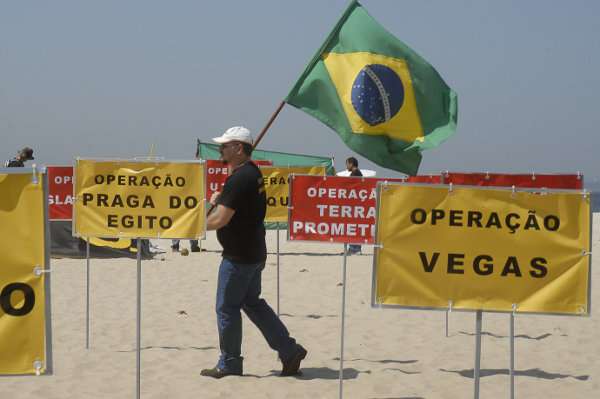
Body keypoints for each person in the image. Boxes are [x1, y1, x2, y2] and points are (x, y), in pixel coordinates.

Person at [200, 126, 307, 379]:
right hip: (254, 251)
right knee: (252, 303)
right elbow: (231, 203)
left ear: (238, 148)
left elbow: (220, 220)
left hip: (239, 256)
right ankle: (289, 351)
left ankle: (230, 363)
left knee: (226, 308)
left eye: (225, 146)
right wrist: (218, 198)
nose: (220, 150)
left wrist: (192, 225)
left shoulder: (241, 178)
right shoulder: (249, 172)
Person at [345, 157, 363, 255]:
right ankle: (354, 248)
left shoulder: (355, 174)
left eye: (347, 164)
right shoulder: (358, 173)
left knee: (354, 226)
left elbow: (350, 186)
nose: (346, 166)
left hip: (355, 204)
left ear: (351, 164)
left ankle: (354, 248)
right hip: (356, 204)